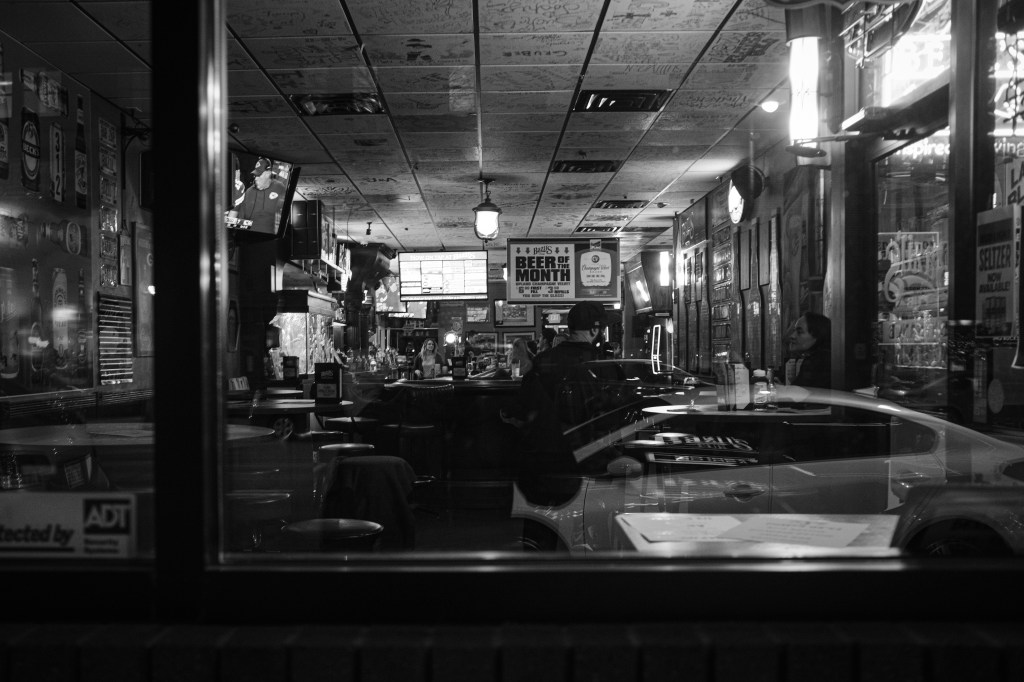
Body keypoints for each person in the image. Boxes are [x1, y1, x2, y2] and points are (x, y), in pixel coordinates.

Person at [233, 157, 287, 232]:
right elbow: (240, 219)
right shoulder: (249, 192)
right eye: (255, 175)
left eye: (259, 175)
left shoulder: (280, 188)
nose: (256, 178)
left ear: (268, 174)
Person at [786, 311, 831, 388]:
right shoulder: (819, 357)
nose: (792, 336)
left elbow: (799, 393)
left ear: (817, 336)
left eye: (799, 332)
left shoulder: (818, 361)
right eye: (794, 330)